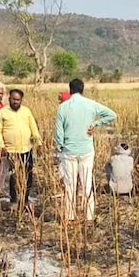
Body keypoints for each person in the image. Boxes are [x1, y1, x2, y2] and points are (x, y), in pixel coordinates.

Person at [55, 78, 117, 222]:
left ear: (70, 90)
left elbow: (59, 133)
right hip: (86, 150)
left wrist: (60, 148)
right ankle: (89, 216)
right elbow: (112, 115)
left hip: (69, 151)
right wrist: (96, 124)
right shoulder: (91, 105)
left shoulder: (63, 107)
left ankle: (70, 216)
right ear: (83, 90)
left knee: (70, 185)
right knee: (87, 183)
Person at [0, 88, 42, 207]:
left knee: (28, 174)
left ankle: (25, 199)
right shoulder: (2, 112)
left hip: (26, 149)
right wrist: (1, 146)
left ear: (21, 100)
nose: (16, 102)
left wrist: (39, 143)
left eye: (18, 100)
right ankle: (14, 199)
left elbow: (33, 128)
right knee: (14, 175)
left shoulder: (26, 111)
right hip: (11, 150)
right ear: (9, 99)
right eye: (14, 99)